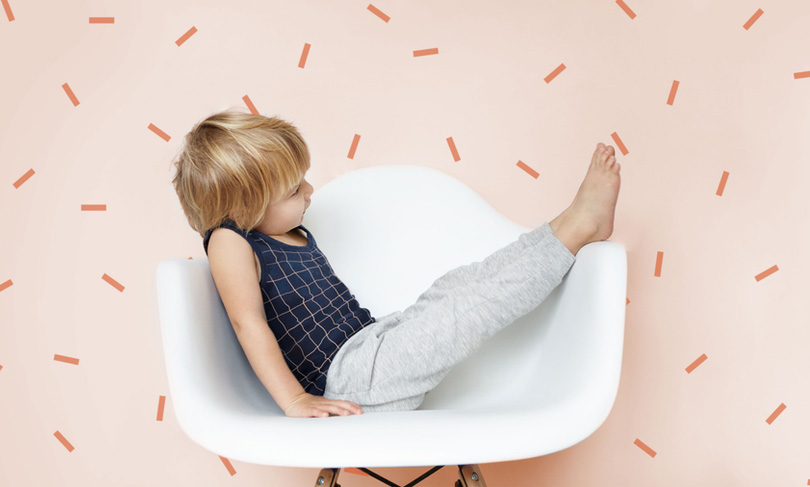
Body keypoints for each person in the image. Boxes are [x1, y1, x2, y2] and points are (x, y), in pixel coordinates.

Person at [172, 109, 621, 417]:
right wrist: (293, 401)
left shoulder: (282, 230)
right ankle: (577, 229)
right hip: (346, 382)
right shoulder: (231, 240)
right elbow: (248, 323)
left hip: (369, 346)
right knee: (465, 310)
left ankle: (565, 225)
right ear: (243, 208)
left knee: (458, 288)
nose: (309, 191)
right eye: (293, 190)